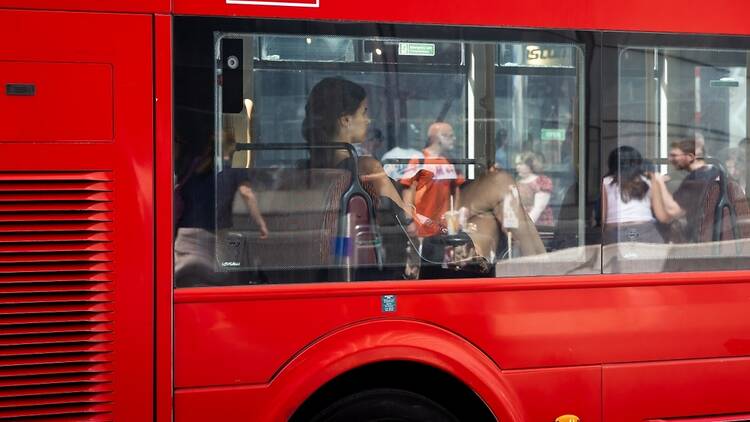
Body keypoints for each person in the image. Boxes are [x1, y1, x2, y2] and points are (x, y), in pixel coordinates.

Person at [301, 77, 545, 268]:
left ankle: (539, 270)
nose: (369, 119)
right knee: (499, 188)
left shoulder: (310, 171)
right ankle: (544, 271)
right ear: (345, 120)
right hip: (420, 255)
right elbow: (405, 224)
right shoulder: (366, 167)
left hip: (405, 245)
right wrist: (442, 224)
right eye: (364, 111)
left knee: (493, 201)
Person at [400, 122, 465, 237]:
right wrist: (409, 220)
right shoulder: (419, 161)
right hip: (422, 227)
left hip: (445, 228)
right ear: (437, 138)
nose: (453, 139)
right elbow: (408, 192)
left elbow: (456, 191)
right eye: (449, 136)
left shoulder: (450, 162)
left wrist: (456, 217)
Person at [650, 138, 720, 242]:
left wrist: (659, 181)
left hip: (701, 237)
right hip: (714, 233)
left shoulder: (696, 179)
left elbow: (673, 211)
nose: (670, 159)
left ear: (690, 157)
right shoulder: (713, 172)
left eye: (674, 156)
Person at [601, 146, 670, 244]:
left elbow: (604, 215)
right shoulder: (647, 181)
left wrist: (602, 235)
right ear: (637, 163)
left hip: (614, 231)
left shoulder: (606, 182)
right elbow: (659, 213)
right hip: (645, 229)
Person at [514, 151, 555, 227]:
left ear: (530, 165)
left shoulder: (541, 182)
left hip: (540, 227)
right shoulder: (517, 183)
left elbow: (538, 208)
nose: (517, 167)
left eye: (520, 164)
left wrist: (526, 225)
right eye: (516, 164)